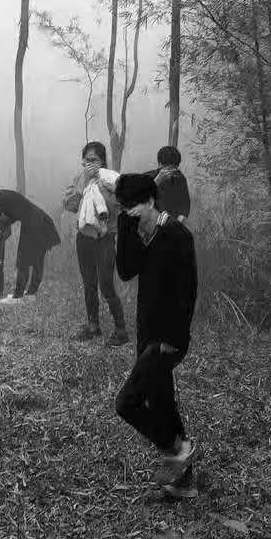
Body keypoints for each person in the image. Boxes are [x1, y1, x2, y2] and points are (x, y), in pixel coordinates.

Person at [113, 172, 198, 499]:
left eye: (133, 206)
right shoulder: (141, 232)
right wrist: (125, 226)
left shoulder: (176, 235)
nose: (130, 212)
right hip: (147, 334)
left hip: (167, 339)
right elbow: (125, 270)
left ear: (150, 201)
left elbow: (188, 292)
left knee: (126, 403)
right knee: (161, 403)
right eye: (124, 208)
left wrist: (173, 337)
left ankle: (180, 448)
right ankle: (182, 484)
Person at [62, 141, 128, 347]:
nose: (89, 163)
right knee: (89, 284)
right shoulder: (80, 179)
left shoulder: (111, 179)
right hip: (84, 238)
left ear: (102, 161)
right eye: (86, 160)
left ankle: (121, 330)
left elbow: (118, 206)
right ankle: (93, 326)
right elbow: (69, 204)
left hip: (105, 238)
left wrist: (100, 185)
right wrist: (84, 181)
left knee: (106, 283)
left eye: (94, 159)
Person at [0, 189, 60, 305]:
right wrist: (1, 225)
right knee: (35, 260)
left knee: (24, 259)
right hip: (41, 223)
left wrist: (0, 226)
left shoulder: (2, 198)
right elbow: (11, 216)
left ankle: (19, 296)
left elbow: (7, 217)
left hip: (36, 225)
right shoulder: (8, 198)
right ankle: (30, 294)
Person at [148, 145, 191, 222]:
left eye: (174, 168)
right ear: (160, 165)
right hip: (149, 223)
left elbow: (185, 205)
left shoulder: (180, 178)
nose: (172, 172)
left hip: (171, 224)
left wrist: (177, 224)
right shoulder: (148, 177)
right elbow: (139, 198)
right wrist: (157, 180)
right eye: (168, 168)